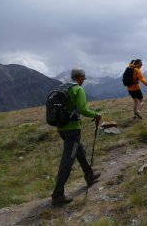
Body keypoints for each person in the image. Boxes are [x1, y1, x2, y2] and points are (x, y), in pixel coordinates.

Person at [51, 68, 102, 206]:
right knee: (68, 159)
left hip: (62, 129)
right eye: (84, 77)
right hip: (73, 130)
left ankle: (89, 175)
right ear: (79, 77)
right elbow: (82, 109)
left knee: (79, 150)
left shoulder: (64, 87)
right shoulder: (78, 90)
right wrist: (96, 115)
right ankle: (57, 195)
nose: (85, 79)